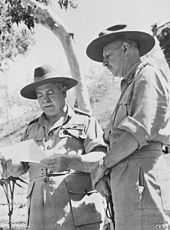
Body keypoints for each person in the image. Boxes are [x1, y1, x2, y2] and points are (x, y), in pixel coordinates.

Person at [0, 2, 108, 230]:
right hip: (40, 220)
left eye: (50, 93)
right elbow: (21, 167)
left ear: (64, 92)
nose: (45, 99)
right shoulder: (31, 129)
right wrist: (9, 165)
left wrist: (70, 161)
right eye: (40, 95)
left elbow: (100, 159)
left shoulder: (85, 122)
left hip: (78, 219)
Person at [86, 24, 170, 230]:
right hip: (129, 187)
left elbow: (137, 132)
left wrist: (103, 165)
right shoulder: (129, 84)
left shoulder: (148, 76)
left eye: (107, 55)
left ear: (125, 48)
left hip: (143, 184)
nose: (104, 63)